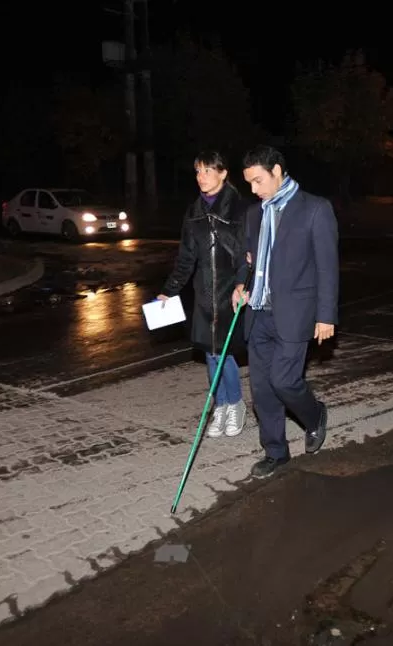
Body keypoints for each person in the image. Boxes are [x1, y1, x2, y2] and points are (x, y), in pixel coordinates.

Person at [232, 145, 339, 478]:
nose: (254, 190)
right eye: (249, 183)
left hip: (295, 314)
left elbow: (327, 267)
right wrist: (239, 284)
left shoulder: (315, 209)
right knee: (262, 390)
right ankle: (276, 453)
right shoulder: (254, 214)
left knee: (284, 381)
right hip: (259, 313)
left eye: (258, 181)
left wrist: (326, 315)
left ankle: (314, 415)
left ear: (277, 171)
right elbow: (246, 259)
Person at [159, 151, 248, 438]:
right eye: (198, 171)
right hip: (204, 293)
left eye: (208, 171)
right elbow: (186, 258)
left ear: (223, 174)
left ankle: (235, 404)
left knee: (224, 352)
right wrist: (168, 291)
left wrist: (242, 283)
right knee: (210, 353)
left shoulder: (239, 209)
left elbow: (246, 254)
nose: (201, 177)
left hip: (231, 291)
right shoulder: (194, 212)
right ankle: (220, 405)